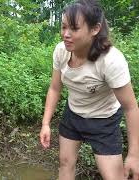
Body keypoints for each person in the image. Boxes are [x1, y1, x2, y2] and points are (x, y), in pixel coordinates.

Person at [39, 0, 139, 179]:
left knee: (113, 176)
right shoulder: (61, 51)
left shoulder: (111, 61)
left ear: (95, 29)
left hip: (104, 119)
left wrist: (134, 155)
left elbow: (131, 108)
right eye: (63, 27)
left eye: (74, 29)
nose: (66, 35)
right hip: (74, 113)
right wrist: (46, 123)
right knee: (65, 163)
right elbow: (55, 88)